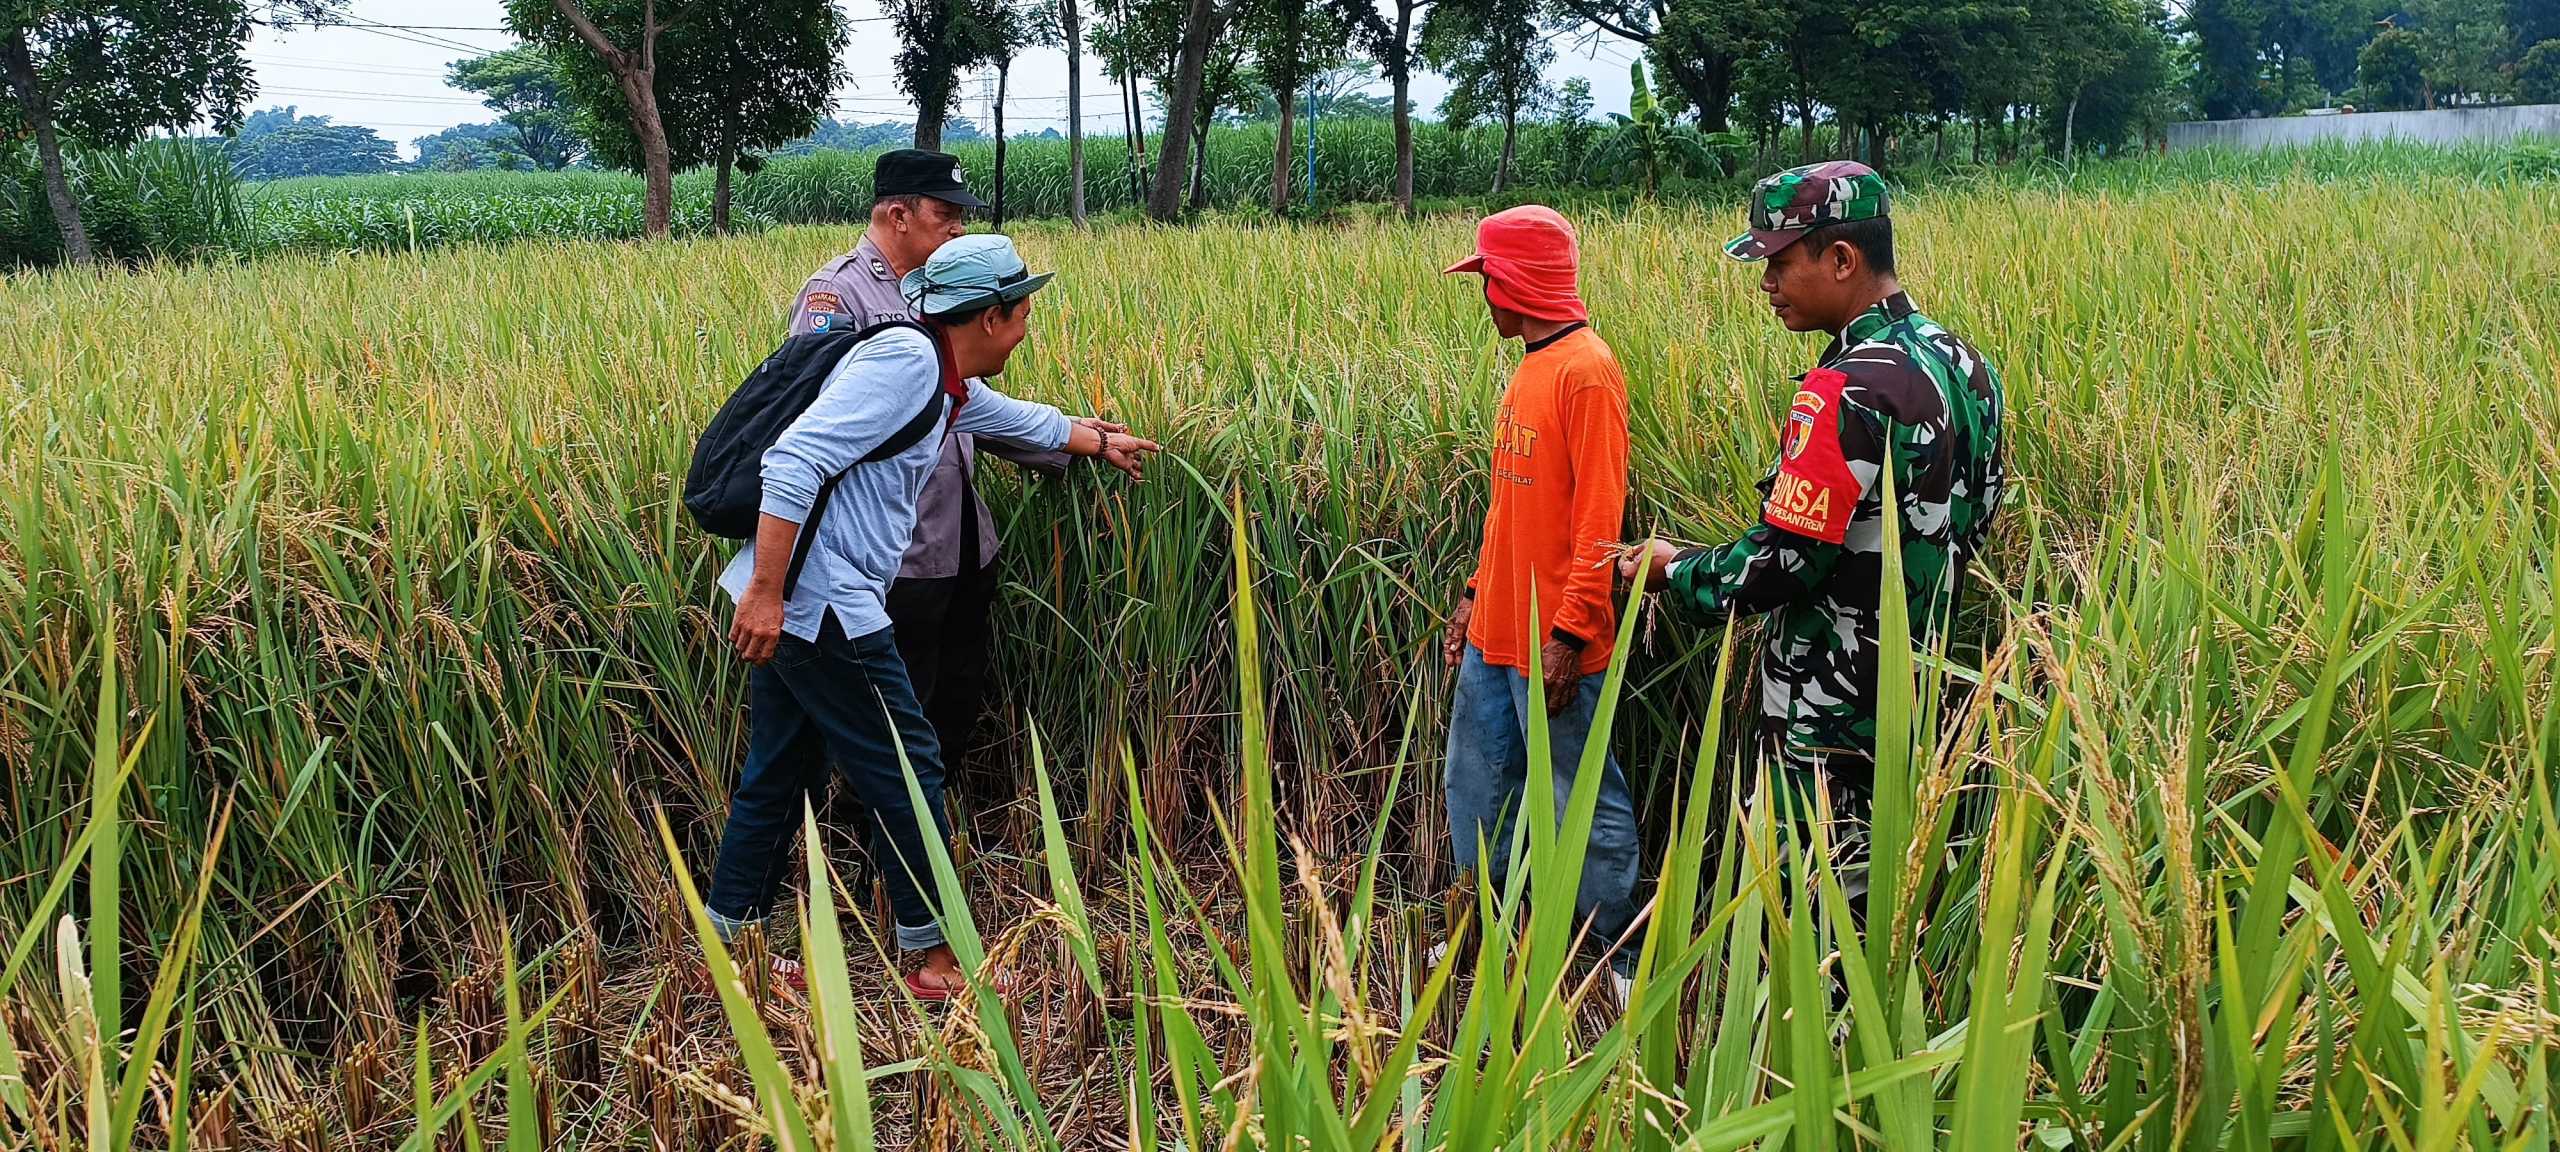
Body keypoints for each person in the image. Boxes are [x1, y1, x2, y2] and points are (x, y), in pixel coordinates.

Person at [710, 234, 1160, 1000]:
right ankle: (935, 956)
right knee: (907, 765)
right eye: (1023, 314)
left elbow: (1004, 415)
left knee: (784, 766)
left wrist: (1094, 440)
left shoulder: (934, 366)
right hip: (820, 604)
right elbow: (792, 461)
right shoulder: (906, 364)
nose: (1026, 328)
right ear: (990, 318)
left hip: (808, 596)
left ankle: (728, 944)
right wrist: (768, 596)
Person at [1621, 162, 2005, 897]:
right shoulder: (1962, 361)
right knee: (1891, 898)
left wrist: (1674, 569)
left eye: (1777, 261)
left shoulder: (1844, 387)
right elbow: (1979, 514)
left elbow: (1784, 562)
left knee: (1809, 914)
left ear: (1840, 259)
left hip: (1829, 714)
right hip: (1920, 689)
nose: (1765, 281)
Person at [789, 148, 1068, 768]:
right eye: (945, 214)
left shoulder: (946, 293)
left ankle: (945, 843)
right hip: (895, 555)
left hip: (962, 534)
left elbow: (972, 404)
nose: (958, 229)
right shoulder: (838, 296)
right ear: (898, 214)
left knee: (955, 701)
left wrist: (1072, 442)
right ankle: (888, 849)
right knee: (896, 730)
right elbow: (812, 438)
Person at [1437, 205, 1640, 990]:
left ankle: (1618, 957)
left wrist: (1571, 632)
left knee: (1579, 801)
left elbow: (1600, 520)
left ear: (1518, 282)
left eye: (1488, 278)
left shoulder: (1587, 372)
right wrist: (1472, 595)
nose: (1484, 296)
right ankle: (1480, 932)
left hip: (1555, 643)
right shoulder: (1533, 366)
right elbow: (1508, 507)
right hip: (1495, 635)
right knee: (1475, 785)